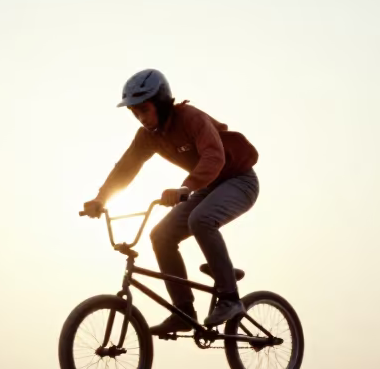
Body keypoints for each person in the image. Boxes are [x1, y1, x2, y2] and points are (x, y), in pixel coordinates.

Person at [82, 69, 259, 336]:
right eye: (135, 113)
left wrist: (185, 188)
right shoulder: (148, 136)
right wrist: (100, 198)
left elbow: (214, 157)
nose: (141, 118)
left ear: (162, 104)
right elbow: (126, 167)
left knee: (200, 220)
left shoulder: (191, 118)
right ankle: (184, 312)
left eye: (144, 110)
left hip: (239, 180)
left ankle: (230, 298)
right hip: (206, 186)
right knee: (161, 235)